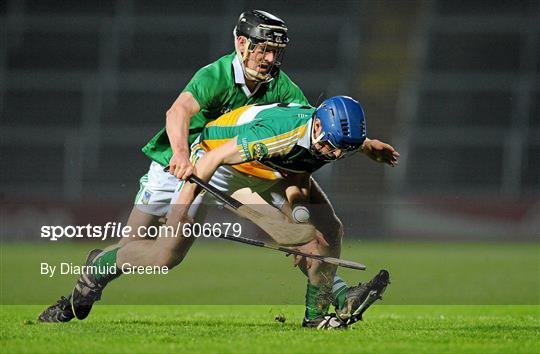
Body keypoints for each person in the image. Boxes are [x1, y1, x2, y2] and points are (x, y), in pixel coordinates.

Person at [37, 10, 395, 325]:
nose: (269, 58)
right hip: (175, 165)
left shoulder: (283, 89)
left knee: (309, 228)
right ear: (241, 43)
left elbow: (307, 137)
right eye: (263, 49)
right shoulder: (217, 74)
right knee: (147, 251)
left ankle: (331, 293)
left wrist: (358, 150)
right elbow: (178, 112)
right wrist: (179, 155)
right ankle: (94, 273)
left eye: (276, 51)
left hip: (232, 168)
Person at [73, 96, 397, 329]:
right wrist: (179, 215)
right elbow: (211, 163)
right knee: (164, 257)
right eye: (331, 146)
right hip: (218, 162)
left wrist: (370, 148)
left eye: (344, 149)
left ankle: (317, 317)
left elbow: (315, 161)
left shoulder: (330, 136)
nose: (335, 153)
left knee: (329, 229)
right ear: (316, 128)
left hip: (263, 169)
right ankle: (102, 263)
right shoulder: (276, 135)